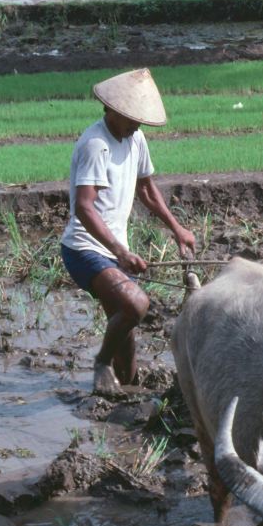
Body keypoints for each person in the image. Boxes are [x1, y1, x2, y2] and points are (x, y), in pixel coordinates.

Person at [60, 67, 196, 395]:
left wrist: (177, 229)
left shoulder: (135, 139)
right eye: (133, 118)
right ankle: (101, 363)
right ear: (114, 110)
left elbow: (146, 189)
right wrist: (121, 252)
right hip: (84, 248)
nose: (138, 125)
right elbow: (84, 208)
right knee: (135, 305)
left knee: (124, 331)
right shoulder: (96, 145)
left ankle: (127, 388)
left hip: (112, 250)